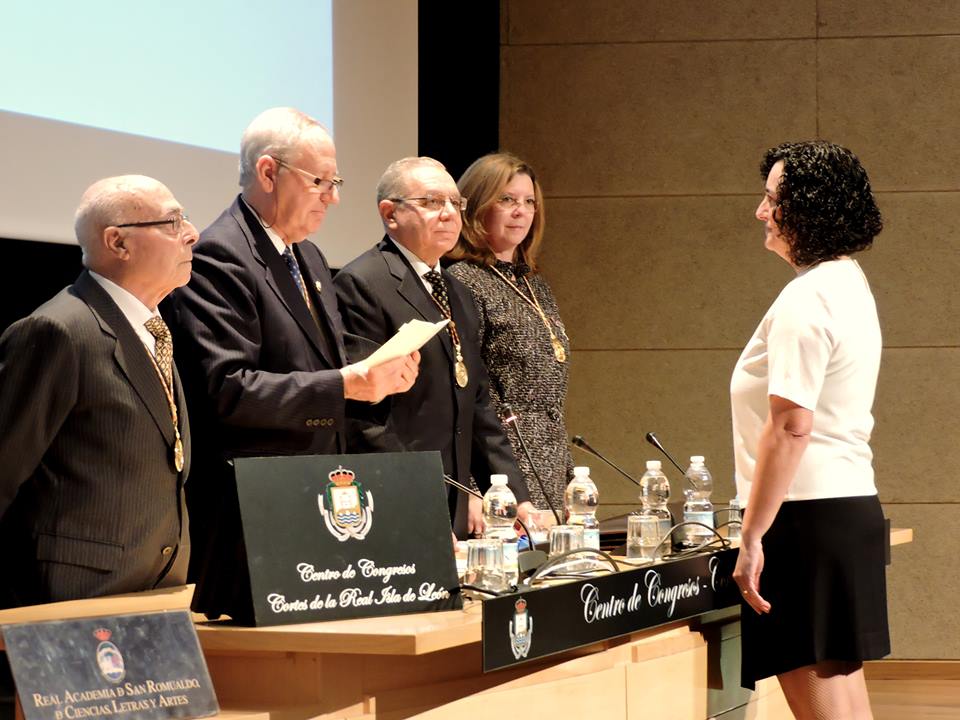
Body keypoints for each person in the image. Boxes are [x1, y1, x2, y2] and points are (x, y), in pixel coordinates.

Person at [167, 107, 418, 621]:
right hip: (254, 518)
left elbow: (320, 358)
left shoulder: (307, 256)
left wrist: (378, 368)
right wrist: (347, 384)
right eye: (320, 181)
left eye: (336, 181)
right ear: (267, 173)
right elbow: (228, 389)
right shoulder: (220, 255)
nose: (334, 196)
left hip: (316, 503)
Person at [731, 141, 888, 716]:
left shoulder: (808, 295)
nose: (760, 211)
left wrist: (752, 537)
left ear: (810, 209)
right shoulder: (850, 280)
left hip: (803, 520)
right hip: (844, 510)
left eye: (772, 199)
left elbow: (793, 426)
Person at [0, 175, 197, 607]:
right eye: (172, 221)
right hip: (70, 601)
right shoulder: (58, 331)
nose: (191, 233)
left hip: (156, 591)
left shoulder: (153, 329)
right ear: (118, 242)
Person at [334, 157, 533, 538]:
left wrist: (513, 495)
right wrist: (416, 502)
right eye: (431, 203)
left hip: (452, 499)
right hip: (398, 499)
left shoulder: (459, 292)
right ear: (390, 214)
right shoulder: (362, 283)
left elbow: (477, 404)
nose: (448, 214)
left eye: (454, 204)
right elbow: (365, 417)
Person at [447, 152, 572, 518]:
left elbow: (551, 397)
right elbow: (467, 394)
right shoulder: (464, 281)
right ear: (476, 206)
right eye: (506, 200)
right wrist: (472, 489)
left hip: (548, 462)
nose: (521, 211)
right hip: (499, 474)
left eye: (528, 201)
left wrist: (567, 477)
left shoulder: (535, 285)